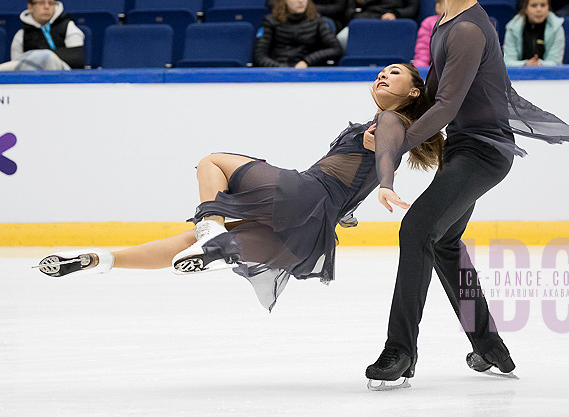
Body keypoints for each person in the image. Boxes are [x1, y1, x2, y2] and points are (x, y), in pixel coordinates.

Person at [365, 0, 569, 390]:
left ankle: (399, 351)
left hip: (482, 153)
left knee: (417, 229)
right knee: (441, 242)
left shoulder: (466, 30)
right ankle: (490, 347)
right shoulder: (446, 21)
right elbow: (432, 97)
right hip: (468, 148)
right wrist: (383, 121)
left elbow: (444, 106)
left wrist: (397, 147)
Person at [36, 64, 445, 314]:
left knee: (212, 161)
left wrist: (386, 180)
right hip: (309, 236)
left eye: (394, 72)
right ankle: (98, 258)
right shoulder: (391, 129)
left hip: (305, 195)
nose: (382, 74)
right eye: (382, 71)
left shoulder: (388, 122)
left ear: (412, 92)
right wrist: (354, 206)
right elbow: (367, 170)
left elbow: (386, 150)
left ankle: (210, 231)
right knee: (184, 246)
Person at [253, 0, 343, 68]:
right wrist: (281, 68)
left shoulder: (317, 21)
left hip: (307, 73)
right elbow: (259, 56)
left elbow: (336, 49)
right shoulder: (270, 21)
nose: (301, 0)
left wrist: (307, 61)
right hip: (277, 73)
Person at [0, 0, 84, 71]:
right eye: (41, 3)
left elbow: (77, 58)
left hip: (65, 77)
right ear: (30, 7)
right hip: (33, 80)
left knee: (47, 56)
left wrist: (44, 56)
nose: (47, 7)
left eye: (51, 3)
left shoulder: (68, 26)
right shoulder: (21, 35)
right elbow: (18, 68)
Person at [503, 0, 565, 67]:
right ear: (526, 8)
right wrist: (526, 64)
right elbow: (507, 61)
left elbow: (555, 62)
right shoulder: (512, 27)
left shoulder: (556, 27)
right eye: (534, 5)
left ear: (548, 7)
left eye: (543, 5)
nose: (539, 10)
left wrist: (539, 64)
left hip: (549, 75)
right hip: (519, 75)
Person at [413, 0, 445, 67]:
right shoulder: (429, 23)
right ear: (438, 7)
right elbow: (423, 51)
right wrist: (420, 70)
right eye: (450, 3)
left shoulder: (469, 25)